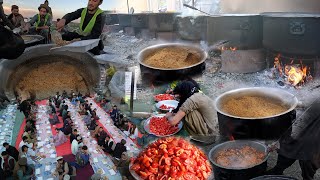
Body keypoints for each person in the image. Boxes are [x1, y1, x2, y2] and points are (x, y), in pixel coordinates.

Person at [267, 98, 320, 180]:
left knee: (308, 164)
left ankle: (307, 177)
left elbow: (301, 120)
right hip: (296, 137)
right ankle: (278, 170)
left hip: (313, 140)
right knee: (286, 154)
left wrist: (276, 141)